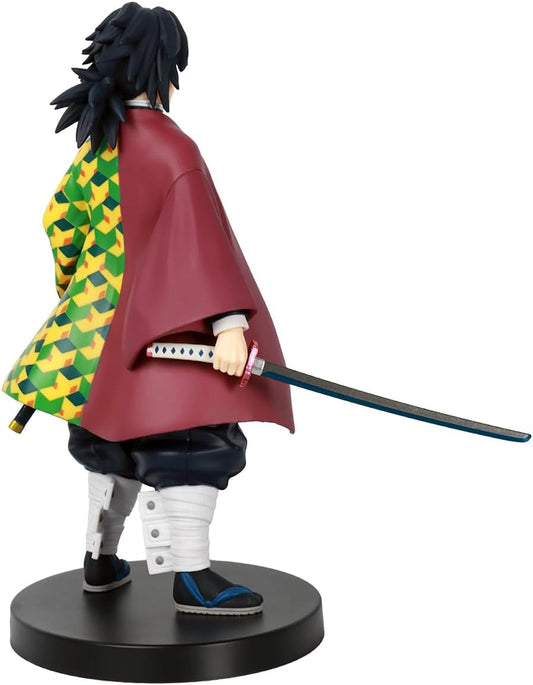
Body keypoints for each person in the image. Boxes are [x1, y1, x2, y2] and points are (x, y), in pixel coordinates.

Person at [3, 2, 294, 616]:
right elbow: (200, 242)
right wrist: (229, 324)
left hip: (88, 336)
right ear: (162, 68)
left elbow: (60, 221)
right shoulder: (170, 147)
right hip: (160, 332)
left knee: (107, 436)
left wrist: (79, 292)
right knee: (189, 439)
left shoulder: (96, 149)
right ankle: (191, 577)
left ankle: (101, 560)